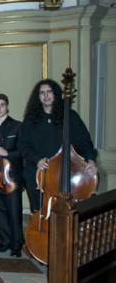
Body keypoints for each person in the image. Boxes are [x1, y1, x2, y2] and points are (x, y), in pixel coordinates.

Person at [18, 79, 98, 212]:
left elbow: (84, 141)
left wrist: (91, 160)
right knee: (40, 210)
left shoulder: (70, 116)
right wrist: (36, 160)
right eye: (42, 93)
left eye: (49, 92)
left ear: (55, 94)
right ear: (38, 97)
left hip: (67, 171)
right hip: (40, 172)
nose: (46, 95)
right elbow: (23, 145)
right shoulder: (30, 120)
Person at [0, 94, 24, 257]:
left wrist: (8, 152)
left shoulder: (17, 126)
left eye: (2, 105)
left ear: (7, 106)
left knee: (14, 212)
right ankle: (5, 241)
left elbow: (23, 151)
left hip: (11, 178)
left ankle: (16, 245)